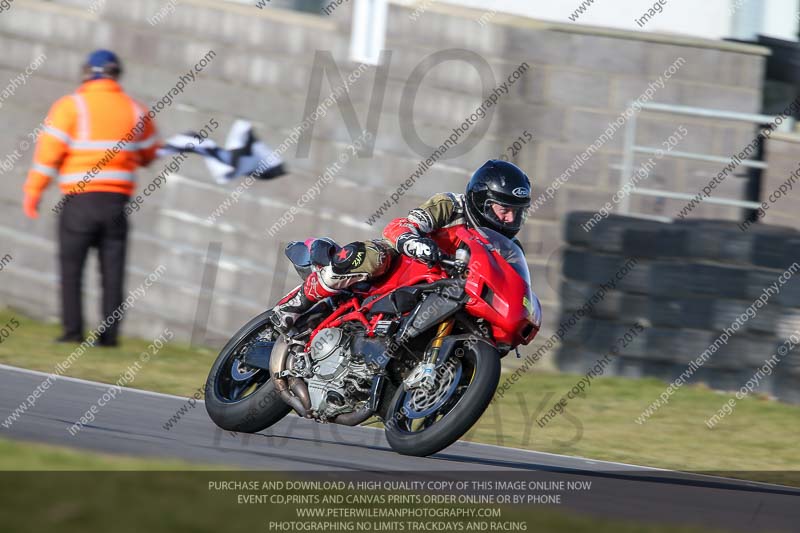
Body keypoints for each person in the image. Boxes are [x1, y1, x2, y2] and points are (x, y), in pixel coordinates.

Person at [270, 159, 532, 331]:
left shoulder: (508, 247)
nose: (509, 218)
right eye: (503, 209)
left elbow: (509, 283)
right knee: (372, 257)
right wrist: (416, 244)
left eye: (516, 212)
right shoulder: (451, 206)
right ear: (480, 200)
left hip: (446, 294)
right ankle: (292, 305)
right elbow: (402, 227)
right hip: (405, 268)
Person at [22, 50, 160, 346]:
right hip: (115, 204)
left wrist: (34, 191)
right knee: (113, 273)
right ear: (117, 74)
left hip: (79, 202)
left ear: (87, 72)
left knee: (71, 270)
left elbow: (48, 156)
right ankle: (108, 338)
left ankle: (72, 333)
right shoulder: (135, 110)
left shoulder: (70, 106)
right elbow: (149, 153)